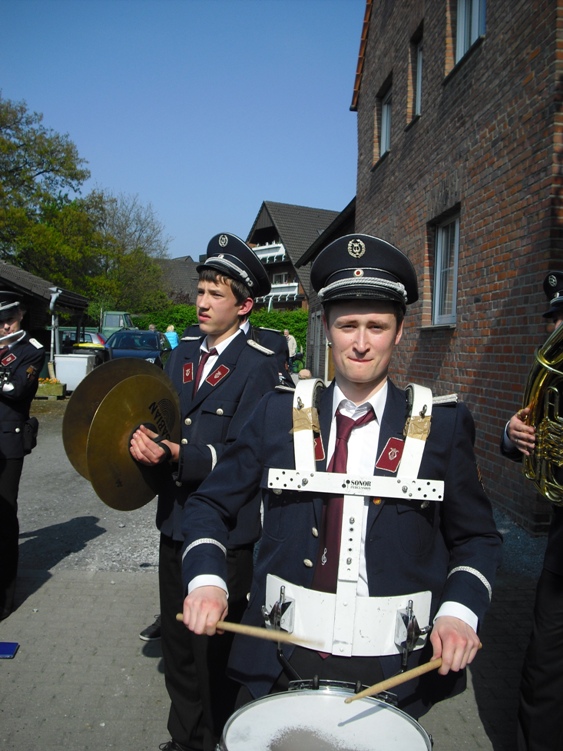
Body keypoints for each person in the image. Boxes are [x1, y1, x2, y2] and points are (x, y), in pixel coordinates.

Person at [180, 233, 502, 723]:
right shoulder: (276, 414)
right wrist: (207, 581)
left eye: (377, 326)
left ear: (399, 332)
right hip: (279, 652)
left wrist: (459, 612)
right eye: (348, 325)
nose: (361, 343)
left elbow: (477, 537)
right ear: (327, 328)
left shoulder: (443, 426)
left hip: (395, 662)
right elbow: (208, 504)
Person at [129, 233, 280, 751]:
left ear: (245, 305)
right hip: (176, 519)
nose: (202, 302)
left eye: (216, 294)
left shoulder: (261, 364)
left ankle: (220, 737)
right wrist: (140, 442)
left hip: (226, 533)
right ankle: (186, 739)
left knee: (213, 648)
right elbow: (160, 419)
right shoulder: (181, 355)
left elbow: (249, 458)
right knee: (177, 643)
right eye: (200, 291)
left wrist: (181, 456)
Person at [501, 270, 563, 751]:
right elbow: (530, 427)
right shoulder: (556, 372)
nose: (557, 328)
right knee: (546, 664)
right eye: (555, 318)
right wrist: (514, 433)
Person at [0, 291, 45, 620]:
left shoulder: (31, 350)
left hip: (7, 440)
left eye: (9, 320)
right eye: (0, 321)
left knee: (3, 516)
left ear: (20, 317)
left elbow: (17, 390)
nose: (4, 327)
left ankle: (4, 597)